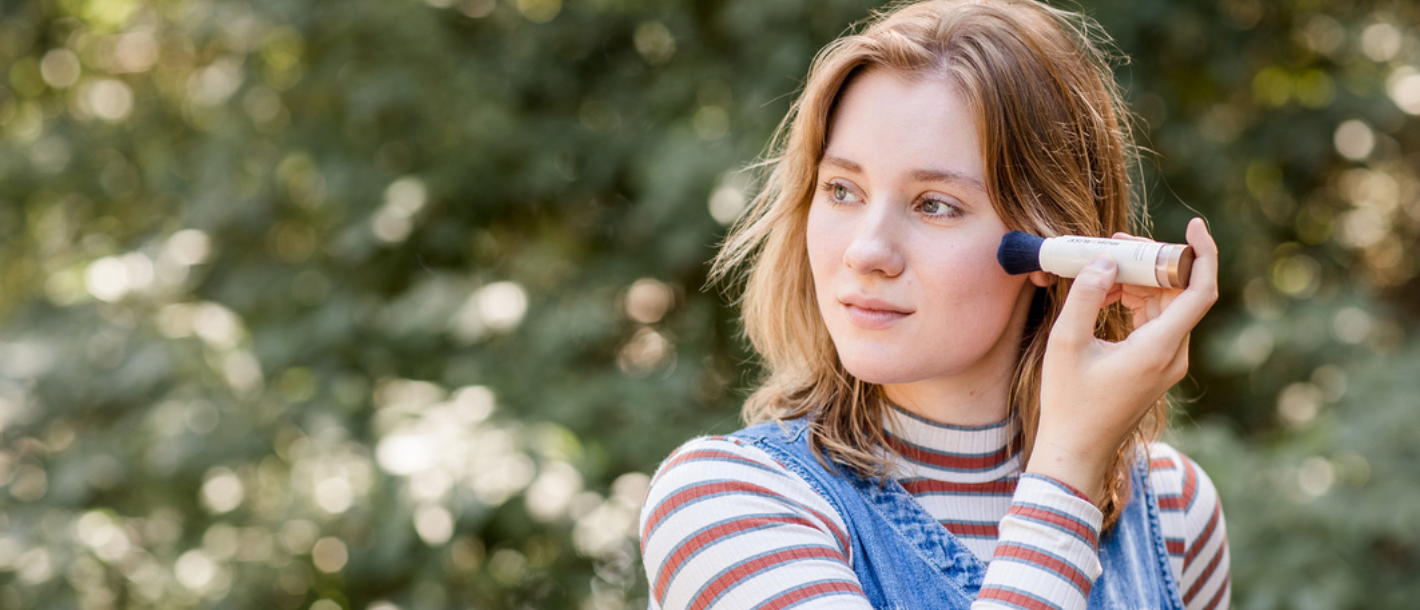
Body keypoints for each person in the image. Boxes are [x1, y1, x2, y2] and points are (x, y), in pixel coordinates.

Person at [639, 0, 1229, 608]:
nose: (868, 252)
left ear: (1054, 249)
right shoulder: (725, 502)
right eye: (842, 190)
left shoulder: (1175, 511)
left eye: (934, 205)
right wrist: (1070, 467)